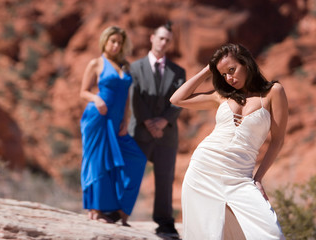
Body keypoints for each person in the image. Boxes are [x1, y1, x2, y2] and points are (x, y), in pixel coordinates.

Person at [170, 43, 288, 239]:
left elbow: (277, 141)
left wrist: (258, 179)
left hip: (240, 177)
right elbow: (176, 99)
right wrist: (208, 69)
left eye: (232, 70)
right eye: (224, 74)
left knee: (271, 233)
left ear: (246, 63)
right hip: (203, 171)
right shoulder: (221, 96)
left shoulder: (273, 92)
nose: (229, 78)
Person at [80, 26, 147, 227]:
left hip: (117, 121)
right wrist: (96, 100)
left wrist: (126, 120)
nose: (116, 45)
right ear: (105, 42)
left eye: (119, 42)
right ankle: (95, 209)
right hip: (98, 117)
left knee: (137, 158)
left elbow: (126, 96)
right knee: (98, 162)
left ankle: (119, 210)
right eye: (113, 41)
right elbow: (83, 91)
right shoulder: (96, 63)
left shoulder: (125, 66)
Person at [128, 22, 186, 238]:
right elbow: (135, 98)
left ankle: (164, 223)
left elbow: (180, 101)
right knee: (130, 174)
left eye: (168, 40)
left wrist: (163, 121)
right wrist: (148, 122)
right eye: (161, 38)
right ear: (152, 38)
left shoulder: (178, 71)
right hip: (140, 132)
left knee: (165, 179)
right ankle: (119, 213)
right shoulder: (134, 68)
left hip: (166, 134)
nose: (164, 42)